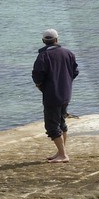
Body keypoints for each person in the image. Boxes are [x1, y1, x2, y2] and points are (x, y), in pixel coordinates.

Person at [31, 28, 79, 163]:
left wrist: (41, 86)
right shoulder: (68, 53)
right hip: (66, 94)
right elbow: (75, 71)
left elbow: (37, 75)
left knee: (52, 126)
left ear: (43, 41)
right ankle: (61, 151)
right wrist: (67, 82)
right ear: (57, 40)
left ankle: (63, 155)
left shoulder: (43, 56)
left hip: (52, 95)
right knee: (61, 122)